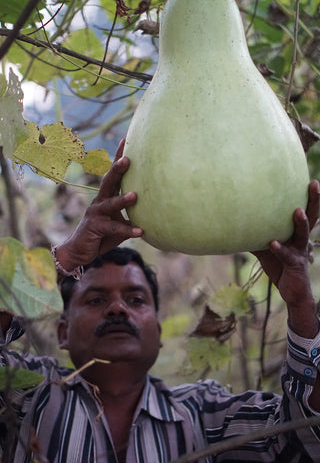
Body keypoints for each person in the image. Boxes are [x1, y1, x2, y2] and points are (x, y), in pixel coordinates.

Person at [1, 139, 320, 462]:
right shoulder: (26, 395)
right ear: (62, 332)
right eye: (96, 300)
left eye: (135, 299)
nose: (117, 308)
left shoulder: (204, 417)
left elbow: (303, 439)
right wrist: (67, 257)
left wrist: (300, 304)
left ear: (158, 329)